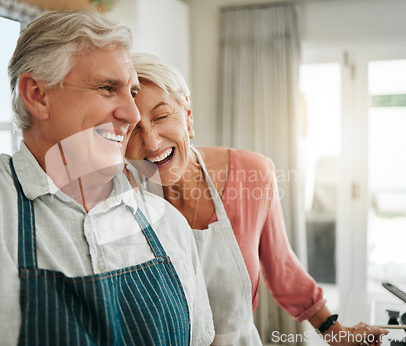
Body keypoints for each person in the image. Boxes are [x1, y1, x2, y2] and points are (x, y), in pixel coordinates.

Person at [0, 11, 215, 346]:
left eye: (132, 91)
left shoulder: (170, 227)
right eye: (108, 88)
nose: (132, 113)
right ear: (38, 95)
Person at [125, 52, 389, 346]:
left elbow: (282, 267)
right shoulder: (120, 198)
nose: (150, 141)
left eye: (161, 116)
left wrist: (335, 332)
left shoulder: (251, 173)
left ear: (187, 115)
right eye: (132, 128)